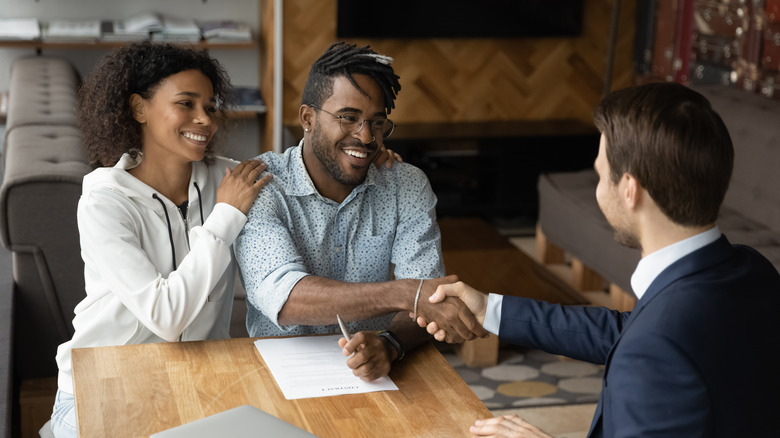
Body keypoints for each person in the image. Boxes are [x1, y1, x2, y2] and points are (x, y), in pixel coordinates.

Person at [419, 82, 780, 437]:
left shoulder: (655, 347)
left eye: (599, 173)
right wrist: (489, 311)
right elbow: (631, 333)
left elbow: (650, 343)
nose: (597, 187)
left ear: (629, 190)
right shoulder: (752, 270)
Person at [49, 41, 273, 438]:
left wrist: (372, 159)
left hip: (197, 383)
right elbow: (166, 316)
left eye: (210, 105)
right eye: (186, 104)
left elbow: (298, 173)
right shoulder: (104, 200)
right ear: (139, 109)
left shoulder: (228, 180)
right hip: (102, 387)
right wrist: (226, 216)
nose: (205, 119)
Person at [235, 42, 487, 382]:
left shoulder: (405, 185)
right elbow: (286, 298)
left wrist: (391, 344)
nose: (367, 136)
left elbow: (429, 301)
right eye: (349, 118)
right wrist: (406, 293)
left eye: (377, 122)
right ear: (307, 118)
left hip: (380, 376)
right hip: (282, 375)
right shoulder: (261, 185)